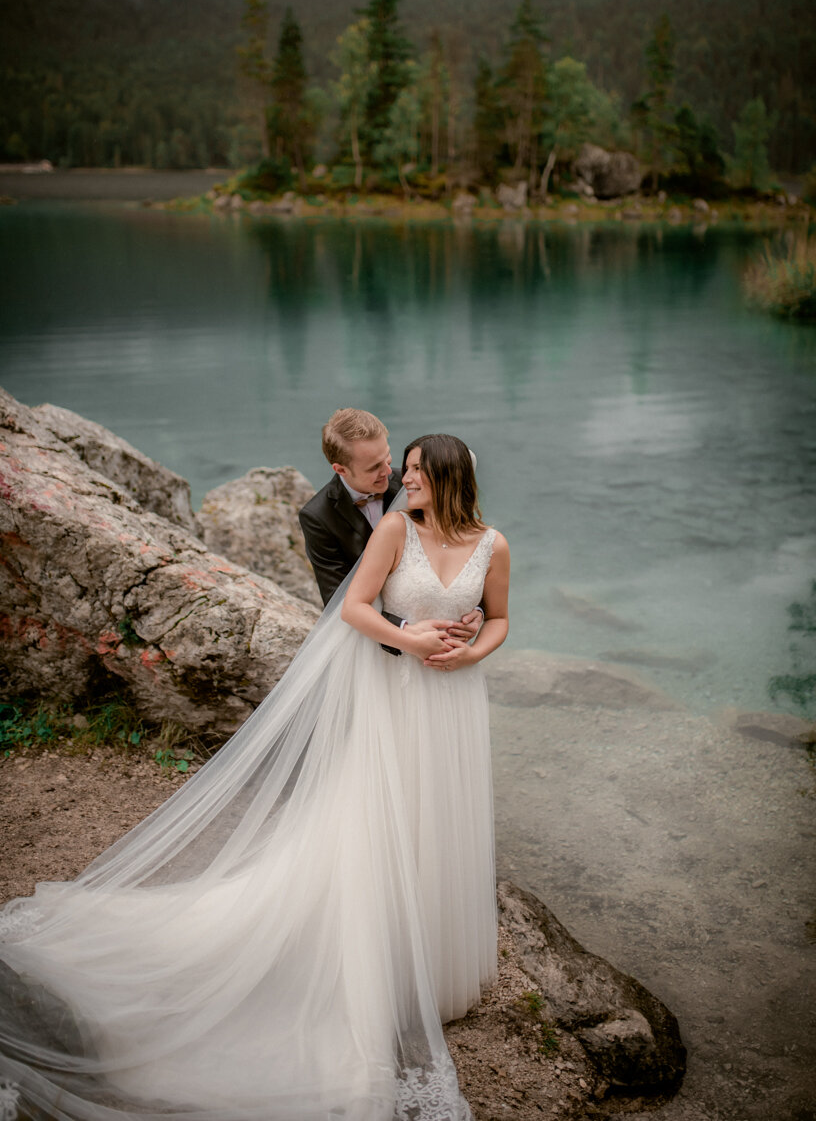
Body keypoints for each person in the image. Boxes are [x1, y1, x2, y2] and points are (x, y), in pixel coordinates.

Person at [0, 434, 510, 1121]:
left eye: (415, 472)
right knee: (376, 822)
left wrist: (473, 647)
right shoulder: (395, 528)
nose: (403, 481)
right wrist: (411, 638)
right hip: (399, 700)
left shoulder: (493, 544)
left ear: (447, 478)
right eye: (403, 470)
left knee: (441, 823)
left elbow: (502, 619)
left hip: (454, 704)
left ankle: (437, 967)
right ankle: (378, 969)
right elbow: (353, 609)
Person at [299, 408, 484, 653]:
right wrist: (405, 630)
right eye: (374, 467)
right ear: (340, 469)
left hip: (441, 636)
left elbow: (465, 551)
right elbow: (338, 601)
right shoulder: (318, 516)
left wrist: (477, 610)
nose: (389, 471)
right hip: (371, 643)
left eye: (387, 458)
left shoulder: (416, 484)